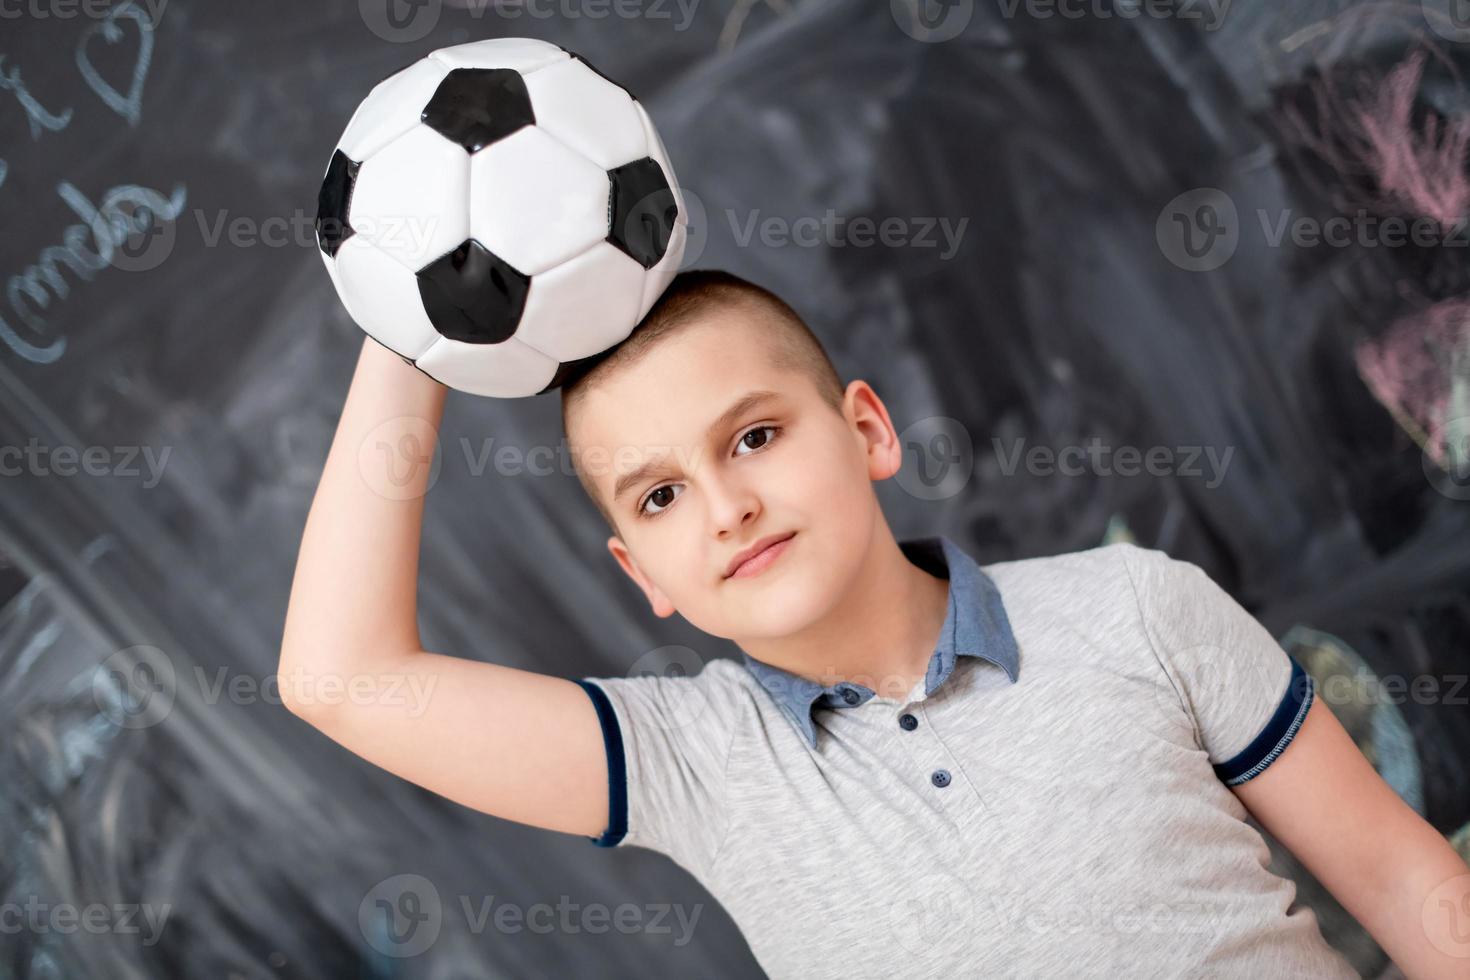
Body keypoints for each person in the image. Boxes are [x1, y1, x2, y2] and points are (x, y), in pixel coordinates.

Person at [278, 269, 1470, 977]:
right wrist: (413, 324)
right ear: (642, 571)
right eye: (661, 495)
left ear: (866, 430)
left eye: (753, 435)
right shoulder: (695, 764)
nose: (729, 502)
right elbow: (339, 675)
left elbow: (1406, 879)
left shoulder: (1136, 604)